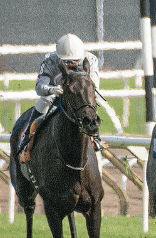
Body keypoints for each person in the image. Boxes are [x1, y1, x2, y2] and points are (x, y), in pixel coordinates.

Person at [18, 33, 101, 163]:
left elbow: (94, 86)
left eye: (75, 61)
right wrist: (51, 89)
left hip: (77, 96)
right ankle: (26, 140)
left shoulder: (91, 60)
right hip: (56, 94)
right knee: (43, 102)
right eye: (66, 62)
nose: (71, 64)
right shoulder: (50, 60)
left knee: (89, 103)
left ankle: (95, 136)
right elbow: (39, 86)